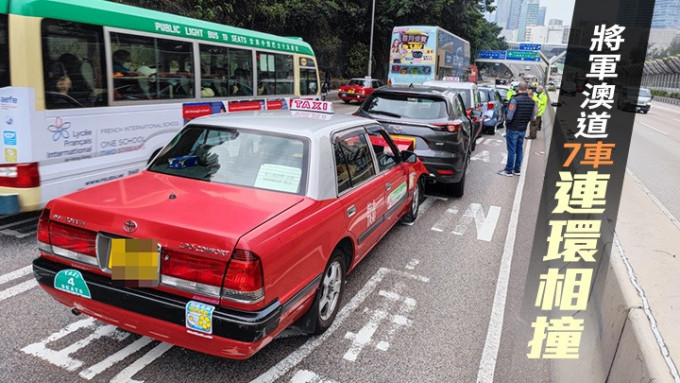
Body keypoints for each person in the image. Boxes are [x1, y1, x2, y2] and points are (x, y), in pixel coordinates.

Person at [498, 81, 536, 177]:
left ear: (518, 89)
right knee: (519, 149)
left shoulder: (514, 100)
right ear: (527, 89)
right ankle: (517, 170)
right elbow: (533, 118)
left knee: (511, 150)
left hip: (513, 128)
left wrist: (506, 122)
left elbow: (510, 116)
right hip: (523, 129)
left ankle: (508, 170)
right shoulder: (532, 101)